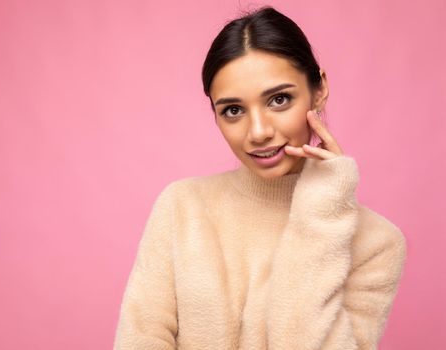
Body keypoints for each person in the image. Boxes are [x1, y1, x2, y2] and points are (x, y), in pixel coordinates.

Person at [113, 6, 407, 350]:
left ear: (319, 89)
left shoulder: (377, 243)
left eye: (279, 99)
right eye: (233, 110)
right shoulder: (182, 207)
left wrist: (323, 215)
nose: (258, 132)